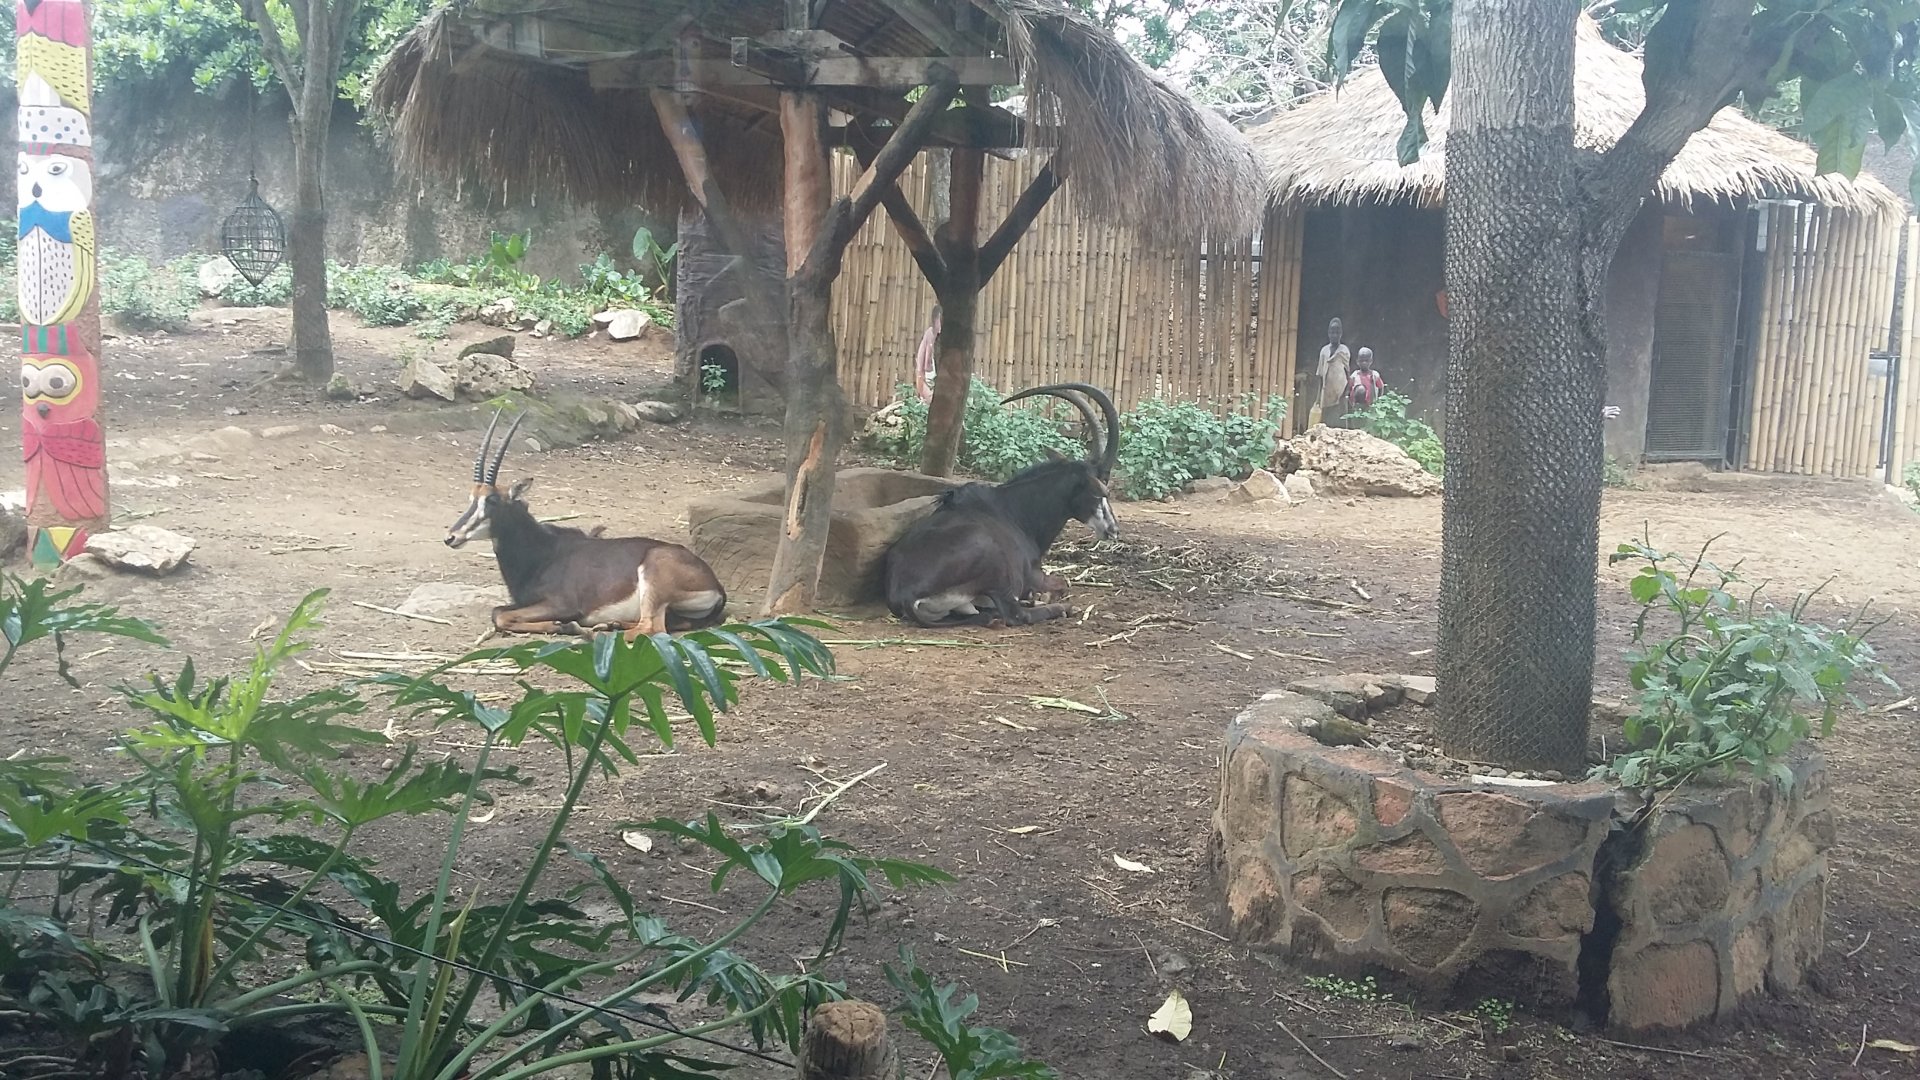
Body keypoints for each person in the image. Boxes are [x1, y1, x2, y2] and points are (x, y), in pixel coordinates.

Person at [1311, 316, 1349, 425]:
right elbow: (1320, 374)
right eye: (1332, 332)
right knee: (1326, 422)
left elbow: (1348, 373)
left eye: (1337, 332)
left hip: (1340, 393)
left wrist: (1346, 393)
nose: (1334, 335)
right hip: (1326, 393)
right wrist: (1318, 398)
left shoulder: (1344, 351)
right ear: (1328, 333)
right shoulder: (1324, 351)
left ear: (1341, 333)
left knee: (1339, 422)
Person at [913, 305, 942, 404]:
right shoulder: (929, 335)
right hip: (927, 383)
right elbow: (923, 368)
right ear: (934, 320)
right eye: (940, 320)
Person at [1345, 347, 1385, 415]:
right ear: (1357, 361)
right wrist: (1348, 402)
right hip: (1356, 406)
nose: (1364, 363)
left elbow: (1381, 387)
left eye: (1366, 361)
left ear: (1371, 361)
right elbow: (1348, 388)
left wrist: (1379, 400)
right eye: (1361, 360)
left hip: (1370, 406)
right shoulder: (1354, 375)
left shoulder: (1374, 375)